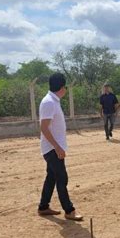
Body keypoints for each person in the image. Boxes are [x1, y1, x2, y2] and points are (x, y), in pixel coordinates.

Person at [37, 73, 83, 221]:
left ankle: (43, 207)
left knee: (51, 177)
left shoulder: (52, 101)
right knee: (61, 178)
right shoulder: (49, 102)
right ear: (62, 87)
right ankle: (69, 210)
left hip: (53, 147)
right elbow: (44, 128)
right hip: (51, 148)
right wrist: (57, 147)